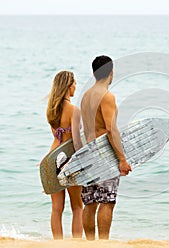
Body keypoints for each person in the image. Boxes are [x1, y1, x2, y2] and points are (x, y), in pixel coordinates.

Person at [80, 55, 132, 240]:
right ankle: (103, 243)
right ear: (111, 73)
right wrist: (122, 159)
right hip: (104, 154)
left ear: (94, 73)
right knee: (107, 201)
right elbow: (111, 129)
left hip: (87, 153)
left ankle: (90, 243)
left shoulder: (85, 97)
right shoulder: (107, 96)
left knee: (90, 202)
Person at [46, 71, 83, 239]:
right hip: (69, 160)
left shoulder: (51, 110)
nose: (76, 86)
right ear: (68, 86)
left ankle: (58, 244)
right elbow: (76, 142)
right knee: (77, 207)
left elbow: (56, 137)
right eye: (74, 83)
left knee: (56, 209)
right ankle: (75, 243)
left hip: (51, 159)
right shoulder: (74, 110)